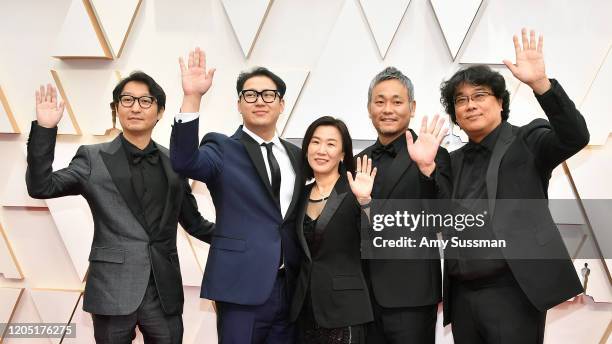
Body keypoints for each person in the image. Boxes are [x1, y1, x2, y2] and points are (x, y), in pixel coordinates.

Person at [26, 72, 215, 343]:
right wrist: (45, 130)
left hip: (163, 291)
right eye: (127, 100)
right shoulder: (92, 158)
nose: (135, 107)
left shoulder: (175, 163)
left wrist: (242, 236)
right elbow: (41, 187)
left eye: (145, 101)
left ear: (160, 111)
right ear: (116, 108)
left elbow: (194, 222)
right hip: (112, 289)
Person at [439, 28, 587, 344]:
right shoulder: (451, 161)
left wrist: (541, 85)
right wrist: (426, 169)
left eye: (479, 96)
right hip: (463, 296)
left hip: (513, 291)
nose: (470, 105)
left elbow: (575, 136)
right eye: (461, 100)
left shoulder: (528, 139)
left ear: (501, 104)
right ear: (456, 115)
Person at [170, 48, 304, 343]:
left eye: (268, 95)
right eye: (250, 95)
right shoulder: (220, 148)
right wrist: (193, 97)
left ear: (282, 104)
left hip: (291, 287)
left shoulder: (298, 155)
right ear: (239, 104)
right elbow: (184, 161)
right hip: (240, 286)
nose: (259, 101)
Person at [358, 67, 452, 344]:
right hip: (364, 297)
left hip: (412, 296)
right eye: (380, 101)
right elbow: (358, 228)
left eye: (397, 102)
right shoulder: (358, 160)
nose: (388, 109)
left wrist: (426, 169)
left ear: (411, 107)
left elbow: (443, 220)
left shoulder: (435, 156)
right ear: (369, 108)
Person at [290, 116, 375, 344]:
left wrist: (365, 201)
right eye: (315, 142)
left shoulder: (355, 191)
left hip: (344, 309)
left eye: (331, 144)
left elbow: (375, 241)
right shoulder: (300, 195)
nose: (321, 150)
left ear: (342, 154)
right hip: (305, 310)